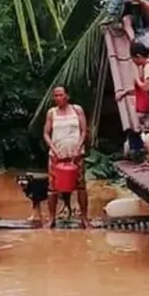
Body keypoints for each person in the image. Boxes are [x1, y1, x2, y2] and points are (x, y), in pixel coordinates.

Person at [42, 85, 90, 228]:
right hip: (57, 156)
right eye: (55, 95)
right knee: (53, 188)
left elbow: (84, 131)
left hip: (76, 155)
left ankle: (84, 218)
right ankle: (51, 218)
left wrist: (78, 147)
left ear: (67, 96)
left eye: (60, 95)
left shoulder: (77, 110)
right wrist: (54, 149)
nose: (57, 98)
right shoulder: (52, 113)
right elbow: (46, 133)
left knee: (81, 186)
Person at [116, 42, 149, 156]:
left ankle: (148, 154)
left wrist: (137, 81)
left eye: (133, 59)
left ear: (138, 56)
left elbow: (146, 87)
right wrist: (125, 93)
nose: (134, 62)